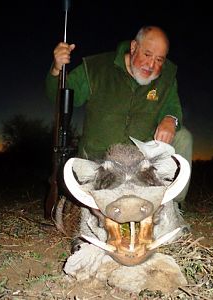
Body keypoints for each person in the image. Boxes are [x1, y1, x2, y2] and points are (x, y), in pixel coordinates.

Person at [46, 25, 192, 206]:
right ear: (133, 47)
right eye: (147, 55)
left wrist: (171, 119)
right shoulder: (95, 68)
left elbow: (173, 107)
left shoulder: (166, 78)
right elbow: (59, 97)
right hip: (100, 160)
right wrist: (56, 69)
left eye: (159, 59)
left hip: (142, 163)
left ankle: (174, 206)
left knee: (184, 137)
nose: (152, 65)